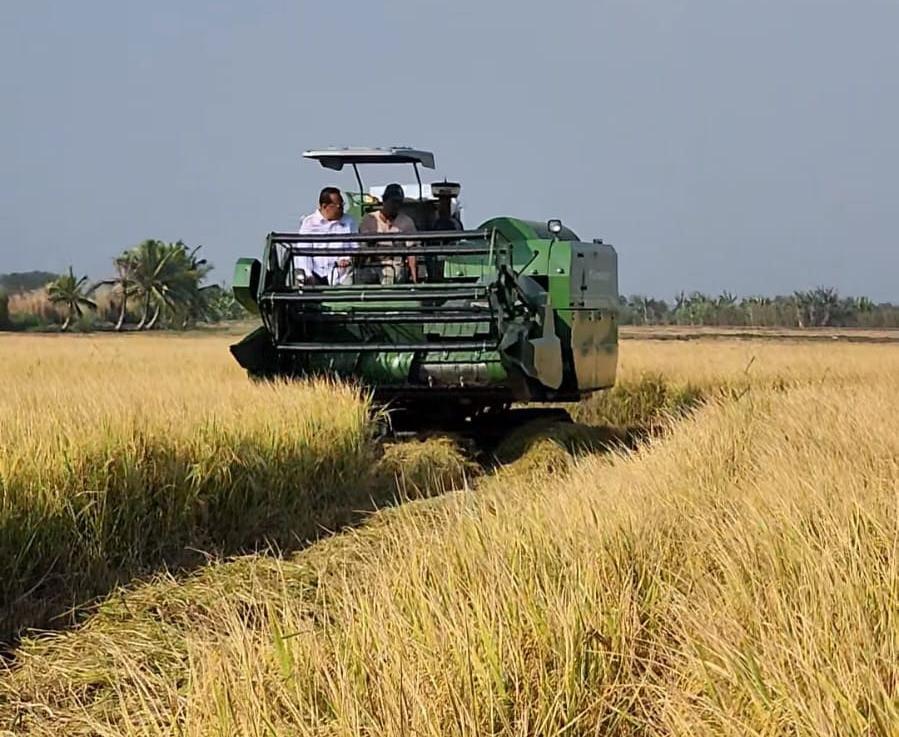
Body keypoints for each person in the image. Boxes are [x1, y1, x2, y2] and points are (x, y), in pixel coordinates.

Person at [359, 183, 420, 284]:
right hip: (373, 263)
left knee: (389, 276)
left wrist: (414, 280)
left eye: (399, 202)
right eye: (393, 202)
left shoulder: (406, 222)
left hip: (395, 263)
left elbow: (412, 252)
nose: (396, 206)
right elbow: (363, 248)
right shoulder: (370, 220)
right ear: (384, 200)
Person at [295, 187, 357, 286]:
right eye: (338, 206)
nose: (342, 208)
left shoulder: (349, 222)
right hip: (315, 275)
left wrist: (348, 259)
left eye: (342, 205)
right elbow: (303, 253)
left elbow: (355, 247)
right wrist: (308, 275)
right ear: (325, 206)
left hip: (342, 274)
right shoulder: (309, 223)